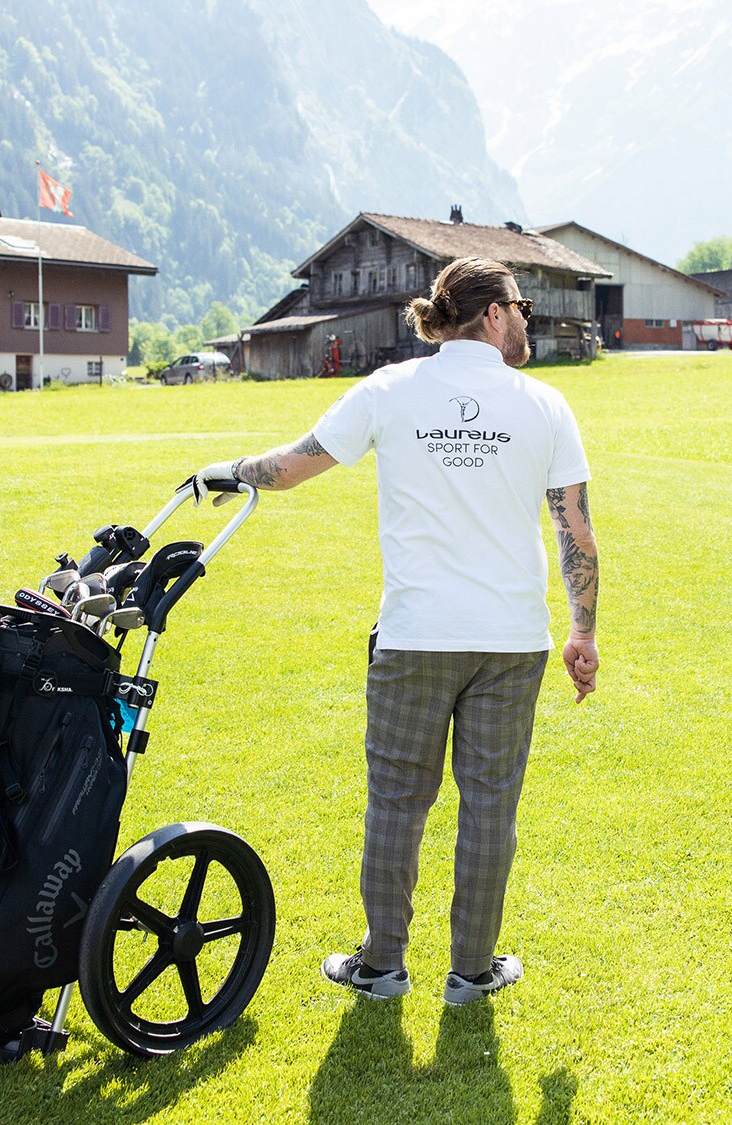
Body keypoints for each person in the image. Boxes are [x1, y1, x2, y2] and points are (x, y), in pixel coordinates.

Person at [188, 257, 599, 1004]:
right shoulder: (545, 404)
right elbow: (575, 530)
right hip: (511, 640)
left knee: (397, 802)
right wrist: (583, 630)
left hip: (415, 635)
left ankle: (381, 966)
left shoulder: (391, 389)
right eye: (522, 308)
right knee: (490, 806)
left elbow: (293, 465)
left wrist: (231, 469)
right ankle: (472, 972)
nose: (527, 320)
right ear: (494, 314)